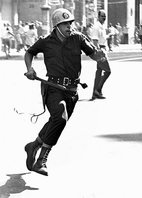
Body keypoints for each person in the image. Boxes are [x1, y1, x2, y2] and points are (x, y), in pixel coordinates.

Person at [23, 8, 106, 176]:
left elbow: (93, 54)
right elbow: (29, 52)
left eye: (70, 23)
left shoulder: (78, 38)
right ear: (57, 26)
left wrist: (100, 56)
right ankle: (41, 160)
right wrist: (30, 69)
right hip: (52, 88)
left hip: (72, 91)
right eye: (65, 24)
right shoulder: (46, 41)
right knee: (60, 117)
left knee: (56, 121)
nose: (69, 27)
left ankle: (34, 145)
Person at [90, 10, 112, 99]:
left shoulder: (102, 26)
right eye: (102, 16)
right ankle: (97, 90)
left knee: (99, 72)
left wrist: (108, 36)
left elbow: (101, 38)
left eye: (105, 16)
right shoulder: (96, 27)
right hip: (100, 51)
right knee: (108, 71)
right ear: (98, 17)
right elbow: (95, 41)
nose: (104, 18)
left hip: (103, 49)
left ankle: (95, 92)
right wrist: (99, 53)